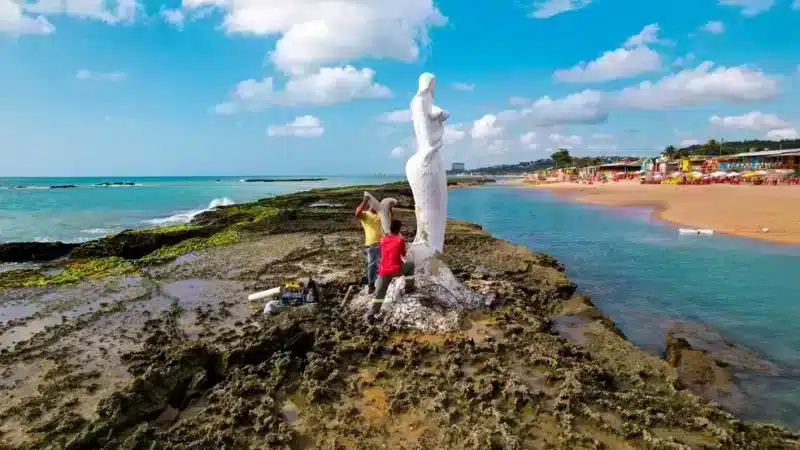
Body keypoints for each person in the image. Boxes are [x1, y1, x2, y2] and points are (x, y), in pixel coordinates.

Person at [365, 219, 415, 324]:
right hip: (395, 270)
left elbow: (382, 252)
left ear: (389, 228)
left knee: (379, 294)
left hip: (383, 271)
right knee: (411, 265)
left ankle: (371, 314)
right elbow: (403, 254)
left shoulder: (382, 239)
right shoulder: (400, 240)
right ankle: (409, 288)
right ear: (398, 229)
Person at [355, 194, 384, 293]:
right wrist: (364, 201)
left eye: (376, 205)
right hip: (371, 245)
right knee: (372, 265)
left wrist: (389, 208)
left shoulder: (379, 215)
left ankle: (376, 282)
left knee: (378, 264)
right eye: (373, 205)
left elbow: (389, 221)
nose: (375, 206)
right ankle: (371, 285)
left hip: (382, 243)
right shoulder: (366, 214)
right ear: (370, 205)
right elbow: (357, 213)